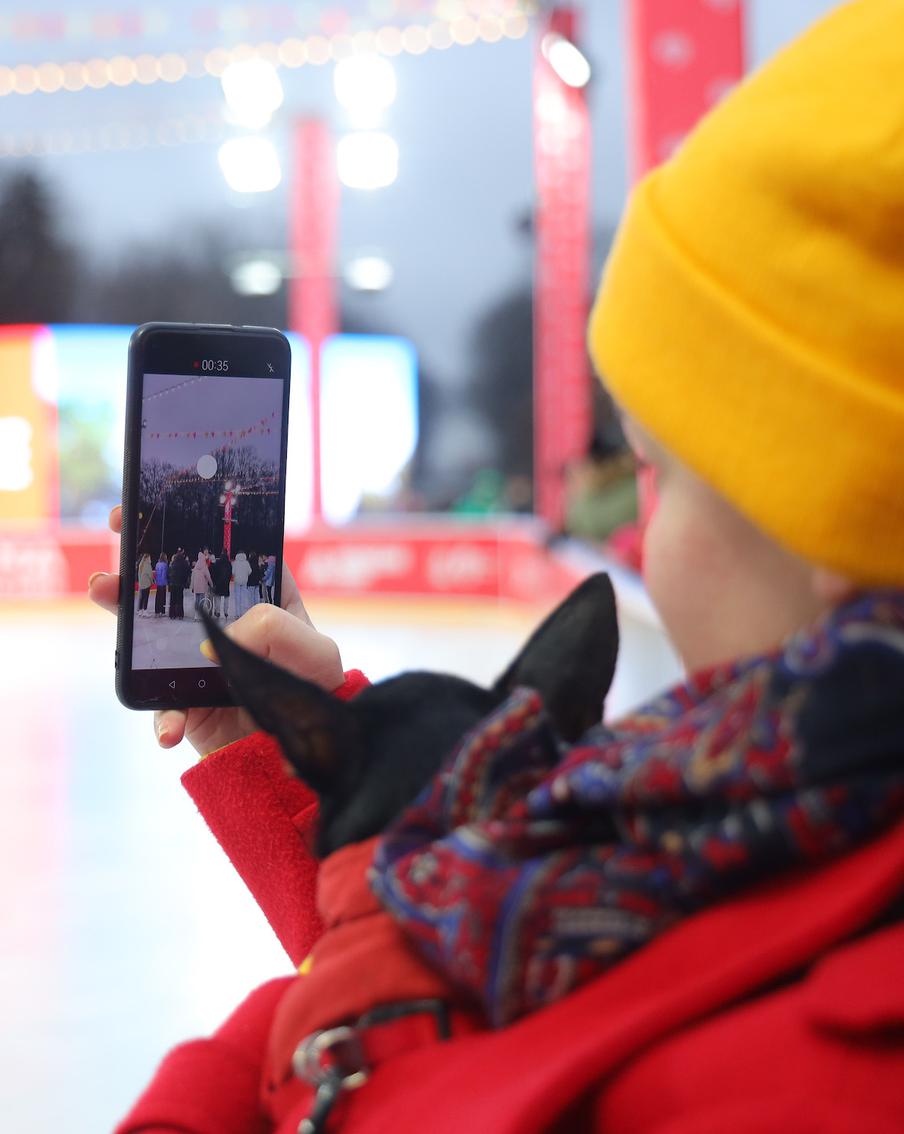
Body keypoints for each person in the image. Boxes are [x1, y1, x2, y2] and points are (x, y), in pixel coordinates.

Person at [89, 4, 903, 1130]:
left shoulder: (812, 1069)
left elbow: (397, 1069)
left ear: (828, 513)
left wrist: (230, 1074)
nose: (635, 533)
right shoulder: (761, 817)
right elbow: (457, 987)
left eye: (657, 469)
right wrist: (313, 753)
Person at [166, 549, 189, 620]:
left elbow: (168, 573)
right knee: (179, 600)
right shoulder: (184, 563)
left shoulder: (173, 563)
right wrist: (185, 583)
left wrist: (169, 582)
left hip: (173, 584)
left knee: (172, 600)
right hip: (180, 584)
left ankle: (172, 614)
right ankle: (180, 615)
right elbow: (187, 573)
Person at [190, 553, 213, 621]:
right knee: (202, 601)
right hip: (202, 587)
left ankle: (196, 616)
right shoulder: (204, 566)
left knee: (197, 601)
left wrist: (192, 586)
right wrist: (211, 584)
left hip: (196, 587)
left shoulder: (196, 567)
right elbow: (208, 577)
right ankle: (200, 615)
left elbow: (192, 577)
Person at [210, 548, 232, 619]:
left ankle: (218, 611)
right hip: (226, 583)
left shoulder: (218, 562)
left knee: (218, 597)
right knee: (226, 598)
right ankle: (226, 612)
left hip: (218, 583)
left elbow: (214, 572)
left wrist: (215, 581)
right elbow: (230, 573)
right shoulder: (229, 563)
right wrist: (228, 580)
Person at [231, 549, 251, 618]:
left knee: (237, 598)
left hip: (237, 581)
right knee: (243, 597)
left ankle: (237, 614)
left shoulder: (235, 563)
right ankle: (242, 613)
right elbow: (250, 571)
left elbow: (233, 572)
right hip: (244, 581)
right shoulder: (246, 563)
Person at [153, 552, 168, 616]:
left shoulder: (157, 564)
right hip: (163, 583)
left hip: (158, 583)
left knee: (158, 597)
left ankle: (157, 610)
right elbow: (165, 574)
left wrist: (156, 580)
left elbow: (156, 574)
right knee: (163, 597)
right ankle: (162, 611)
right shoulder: (165, 565)